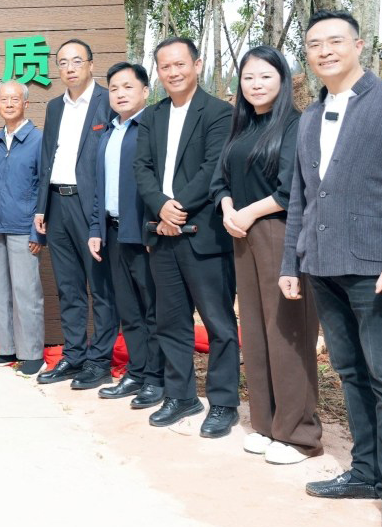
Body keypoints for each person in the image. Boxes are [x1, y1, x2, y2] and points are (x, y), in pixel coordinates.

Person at [280, 10, 382, 527]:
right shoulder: (309, 116)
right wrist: (291, 263)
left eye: (335, 41)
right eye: (314, 44)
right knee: (349, 373)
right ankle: (365, 472)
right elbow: (300, 197)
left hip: (376, 270)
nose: (324, 51)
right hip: (323, 267)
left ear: (359, 45)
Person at [211, 45, 322, 465]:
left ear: (283, 79)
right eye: (248, 77)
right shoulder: (241, 126)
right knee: (255, 333)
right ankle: (266, 423)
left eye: (265, 76)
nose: (256, 85)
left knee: (287, 332)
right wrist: (227, 208)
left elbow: (293, 187)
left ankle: (300, 434)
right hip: (242, 234)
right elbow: (220, 180)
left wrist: (248, 212)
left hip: (280, 232)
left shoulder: (296, 123)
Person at [132, 37, 239, 438]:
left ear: (196, 64)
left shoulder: (219, 112)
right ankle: (181, 396)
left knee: (218, 323)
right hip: (162, 234)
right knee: (171, 322)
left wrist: (176, 208)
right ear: (158, 71)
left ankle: (224, 402)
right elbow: (142, 168)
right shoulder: (153, 115)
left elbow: (214, 167)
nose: (173, 72)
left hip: (204, 236)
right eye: (165, 66)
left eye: (180, 64)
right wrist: (160, 206)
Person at [33, 38, 116, 389]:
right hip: (57, 203)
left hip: (91, 205)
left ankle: (99, 361)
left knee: (101, 287)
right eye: (63, 62)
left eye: (77, 61)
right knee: (68, 287)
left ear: (91, 64)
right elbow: (46, 158)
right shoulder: (54, 107)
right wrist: (41, 207)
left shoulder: (106, 102)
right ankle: (74, 355)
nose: (70, 68)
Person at [87, 62, 163, 408]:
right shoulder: (109, 132)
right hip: (114, 231)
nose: (120, 94)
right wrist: (96, 228)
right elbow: (99, 187)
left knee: (152, 309)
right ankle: (137, 372)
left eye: (128, 87)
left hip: (144, 235)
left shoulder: (152, 127)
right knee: (129, 310)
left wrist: (153, 228)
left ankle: (156, 379)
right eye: (114, 88)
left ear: (145, 91)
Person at [0, 80, 47, 377]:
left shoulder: (38, 140)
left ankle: (32, 355)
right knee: (0, 291)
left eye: (14, 99)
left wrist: (38, 231)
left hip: (23, 227)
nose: (8, 104)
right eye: (3, 99)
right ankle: (7, 349)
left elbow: (44, 187)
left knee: (26, 291)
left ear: (25, 104)